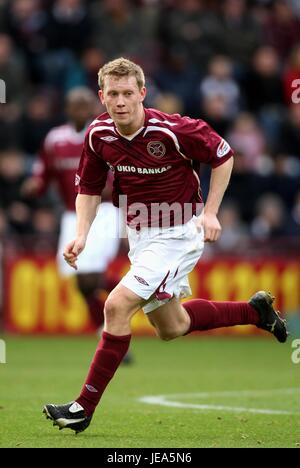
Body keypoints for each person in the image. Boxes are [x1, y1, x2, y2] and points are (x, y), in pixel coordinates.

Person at [43, 58, 288, 434]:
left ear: (143, 93)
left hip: (179, 232)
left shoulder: (173, 129)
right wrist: (81, 233)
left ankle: (82, 407)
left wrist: (210, 213)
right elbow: (88, 188)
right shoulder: (98, 135)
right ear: (101, 96)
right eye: (113, 94)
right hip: (142, 236)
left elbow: (223, 154)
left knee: (116, 305)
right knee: (172, 326)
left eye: (128, 93)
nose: (120, 101)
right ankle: (255, 313)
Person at [22, 87, 122, 331]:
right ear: (67, 109)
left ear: (92, 108)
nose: (81, 110)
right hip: (72, 214)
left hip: (103, 213)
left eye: (84, 105)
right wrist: (36, 184)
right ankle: (106, 330)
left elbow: (119, 173)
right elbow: (44, 172)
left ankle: (143, 293)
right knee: (82, 283)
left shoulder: (102, 135)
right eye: (75, 106)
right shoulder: (55, 139)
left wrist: (109, 188)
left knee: (90, 276)